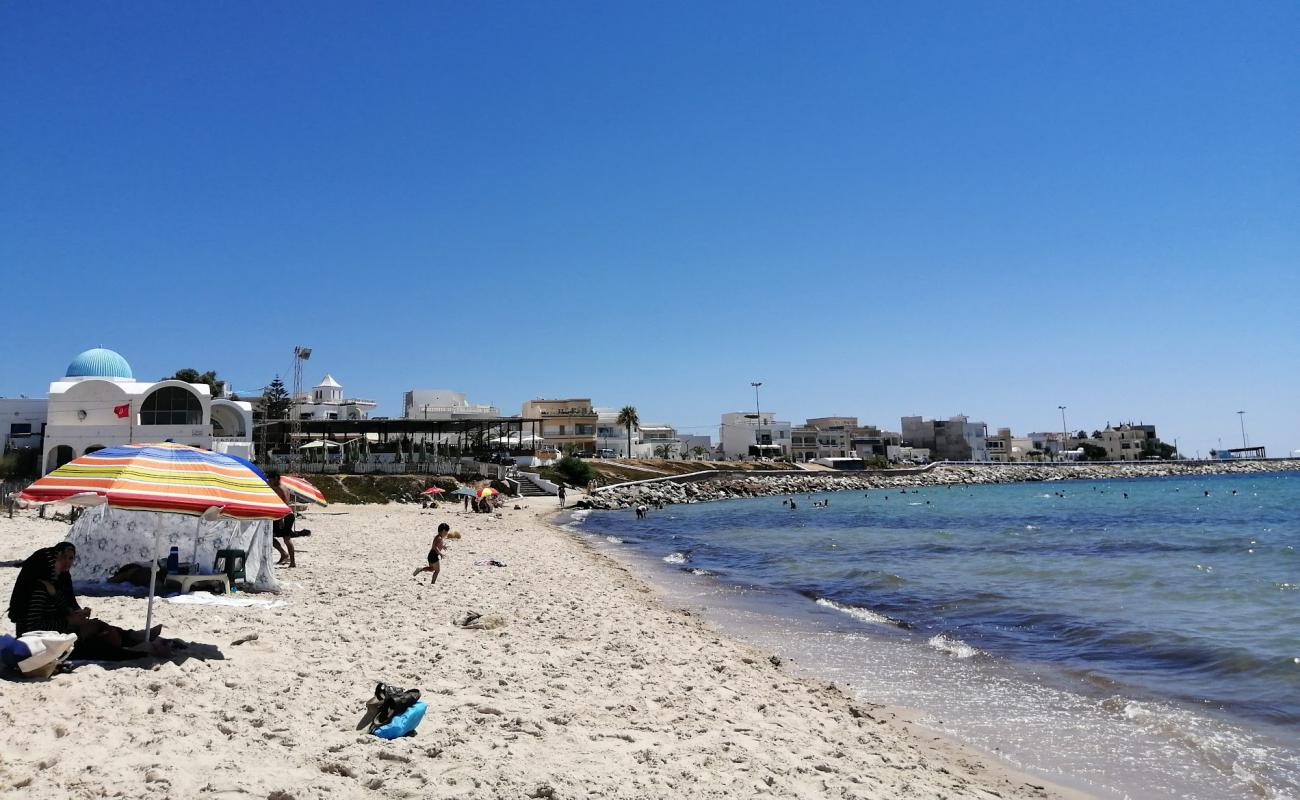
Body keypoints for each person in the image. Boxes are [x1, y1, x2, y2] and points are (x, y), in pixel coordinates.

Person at [7, 543, 171, 659]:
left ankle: (135, 638)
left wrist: (75, 613)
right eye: (61, 559)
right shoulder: (38, 589)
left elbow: (65, 605)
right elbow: (32, 628)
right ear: (49, 562)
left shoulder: (56, 582)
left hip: (55, 634)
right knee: (97, 643)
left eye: (70, 558)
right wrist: (68, 621)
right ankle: (139, 648)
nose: (66, 563)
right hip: (41, 642)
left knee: (99, 626)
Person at [267, 472, 297, 568]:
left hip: (284, 516)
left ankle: (290, 560)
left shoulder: (279, 489)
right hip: (286, 514)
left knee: (286, 539)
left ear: (276, 478)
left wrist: (281, 519)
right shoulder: (283, 487)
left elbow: (284, 504)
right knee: (272, 537)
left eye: (270, 479)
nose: (269, 481)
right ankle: (285, 555)